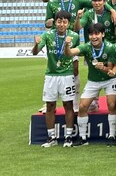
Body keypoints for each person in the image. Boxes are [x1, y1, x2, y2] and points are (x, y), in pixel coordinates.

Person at [64, 22, 116, 146]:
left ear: (103, 34)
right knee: (83, 106)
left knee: (111, 105)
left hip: (110, 80)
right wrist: (67, 45)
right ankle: (83, 138)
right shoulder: (86, 47)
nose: (94, 37)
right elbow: (69, 53)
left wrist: (105, 68)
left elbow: (113, 68)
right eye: (91, 34)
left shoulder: (110, 47)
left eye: (97, 34)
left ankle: (111, 135)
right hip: (93, 80)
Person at [32, 10, 80, 147]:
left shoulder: (74, 36)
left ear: (68, 23)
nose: (61, 24)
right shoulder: (47, 35)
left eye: (64, 22)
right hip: (51, 75)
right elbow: (35, 52)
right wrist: (36, 44)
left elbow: (75, 56)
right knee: (50, 106)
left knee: (68, 105)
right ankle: (51, 137)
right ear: (55, 22)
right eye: (59, 21)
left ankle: (68, 137)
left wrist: (75, 72)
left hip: (67, 75)